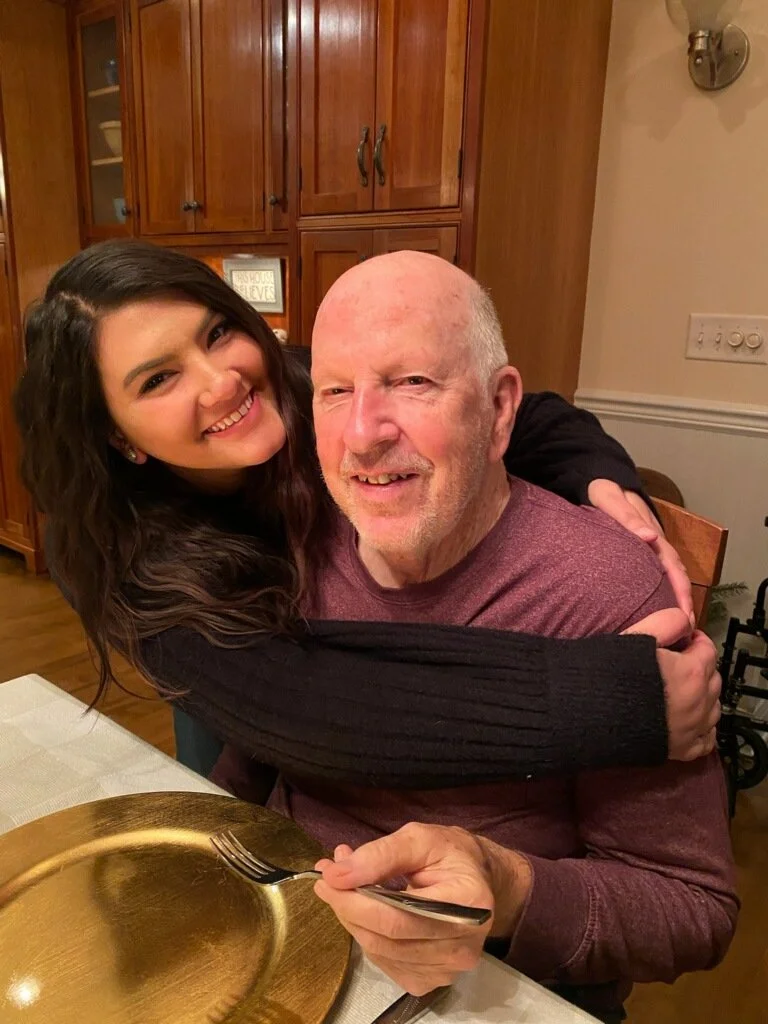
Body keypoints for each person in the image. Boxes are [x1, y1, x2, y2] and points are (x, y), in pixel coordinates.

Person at [13, 241, 719, 796]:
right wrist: (609, 700)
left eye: (218, 332)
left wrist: (604, 480)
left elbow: (510, 412)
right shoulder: (110, 555)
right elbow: (305, 715)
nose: (222, 380)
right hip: (253, 703)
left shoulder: (305, 391)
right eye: (159, 379)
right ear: (118, 436)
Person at [273, 251, 736, 1022]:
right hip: (295, 947)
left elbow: (694, 907)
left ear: (499, 409)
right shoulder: (297, 548)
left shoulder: (608, 593)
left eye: (412, 382)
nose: (361, 434)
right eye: (334, 391)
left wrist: (510, 887)